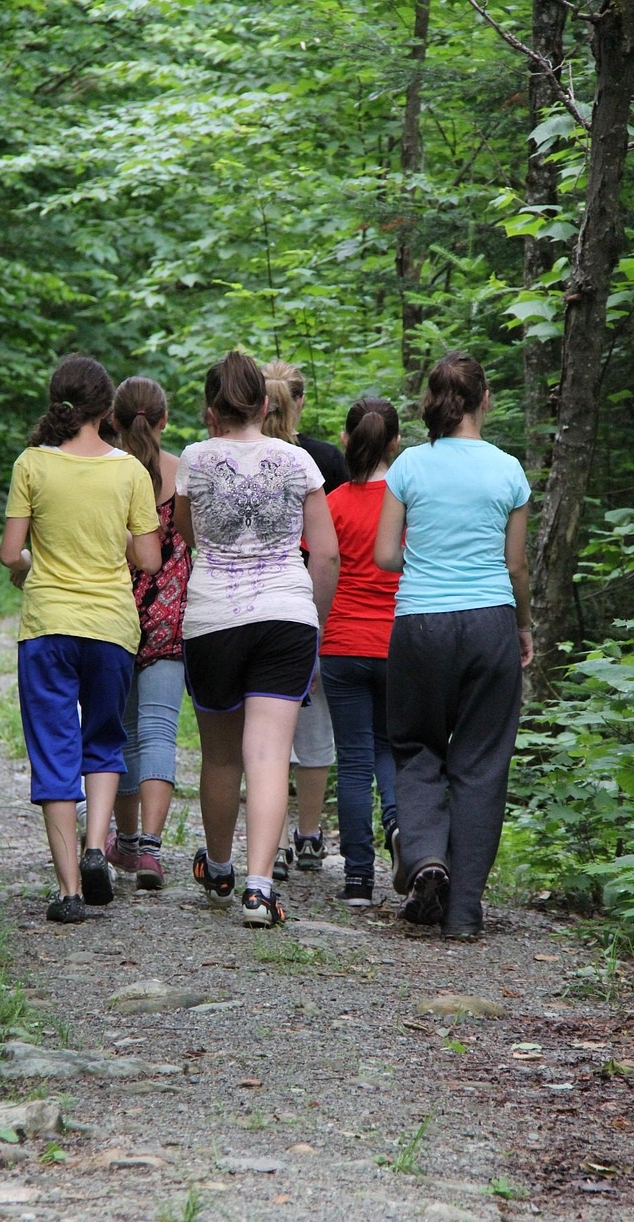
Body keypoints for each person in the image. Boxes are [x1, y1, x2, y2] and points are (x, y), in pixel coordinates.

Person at [174, 351, 339, 928]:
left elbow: (187, 534)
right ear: (266, 405)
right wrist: (312, 621)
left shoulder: (194, 460)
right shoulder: (298, 463)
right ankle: (260, 890)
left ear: (210, 409)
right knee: (269, 755)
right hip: (286, 617)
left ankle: (218, 868)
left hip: (215, 617)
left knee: (222, 755)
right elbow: (327, 552)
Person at [374, 352, 533, 939]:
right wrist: (524, 626)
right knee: (482, 765)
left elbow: (386, 555)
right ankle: (464, 913)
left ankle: (425, 859)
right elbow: (516, 566)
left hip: (421, 626)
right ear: (483, 399)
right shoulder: (508, 471)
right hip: (490, 621)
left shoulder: (410, 466)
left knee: (416, 749)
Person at [0, 354, 161, 924]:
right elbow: (148, 557)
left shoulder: (31, 464)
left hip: (47, 625)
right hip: (112, 626)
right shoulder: (130, 472)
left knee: (53, 748)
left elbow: (9, 553)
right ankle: (98, 845)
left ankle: (68, 890)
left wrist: (30, 566)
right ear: (105, 408)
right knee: (104, 737)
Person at [261, 358, 347, 879]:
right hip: (311, 604)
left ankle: (266, 844)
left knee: (262, 733)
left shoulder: (236, 456)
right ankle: (310, 834)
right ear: (301, 401)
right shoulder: (324, 460)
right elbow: (333, 546)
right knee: (314, 728)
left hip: (249, 605)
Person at [105, 376, 192, 890]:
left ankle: (127, 841)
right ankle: (154, 851)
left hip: (112, 616)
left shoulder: (103, 473)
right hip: (168, 618)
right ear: (163, 420)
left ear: (113, 420)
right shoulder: (182, 474)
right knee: (158, 730)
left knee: (119, 733)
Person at [320, 398, 402, 905]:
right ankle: (399, 826)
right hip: (398, 644)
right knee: (393, 748)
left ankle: (356, 879)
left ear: (347, 441)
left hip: (342, 644)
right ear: (396, 442)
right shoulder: (407, 502)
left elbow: (320, 569)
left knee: (351, 761)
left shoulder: (332, 505)